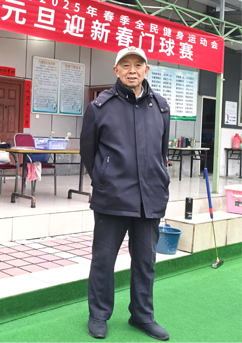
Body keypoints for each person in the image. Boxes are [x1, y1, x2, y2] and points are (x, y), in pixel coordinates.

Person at [80, 47, 170, 341]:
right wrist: (104, 180)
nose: (133, 70)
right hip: (112, 199)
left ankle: (142, 315)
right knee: (103, 259)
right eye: (126, 65)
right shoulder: (100, 107)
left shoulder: (160, 106)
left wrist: (160, 181)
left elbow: (162, 152)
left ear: (147, 69)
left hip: (150, 199)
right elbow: (88, 151)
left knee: (145, 260)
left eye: (138, 65)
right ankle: (98, 314)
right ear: (116, 70)